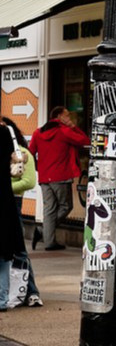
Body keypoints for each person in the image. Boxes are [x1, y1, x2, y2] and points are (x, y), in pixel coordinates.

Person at [29, 107, 88, 251]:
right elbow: (85, 141)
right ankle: (44, 233)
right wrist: (74, 127)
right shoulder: (64, 131)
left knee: (49, 210)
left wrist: (39, 167)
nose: (70, 118)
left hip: (44, 178)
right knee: (66, 206)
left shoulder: (38, 132)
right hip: (60, 177)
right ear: (60, 116)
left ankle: (48, 240)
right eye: (67, 115)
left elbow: (30, 152)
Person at [1, 119, 38, 310]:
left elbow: (29, 182)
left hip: (13, 203)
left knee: (17, 249)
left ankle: (31, 291)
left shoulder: (22, 154)